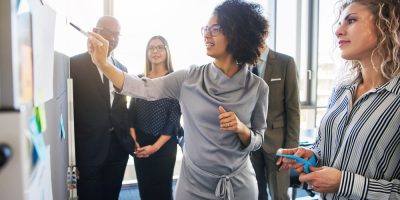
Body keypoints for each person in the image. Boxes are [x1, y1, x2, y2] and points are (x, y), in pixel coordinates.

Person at [87, 0, 269, 199]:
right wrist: (103, 64)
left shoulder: (258, 88)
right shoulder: (188, 78)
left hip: (239, 186)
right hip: (193, 185)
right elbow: (142, 87)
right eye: (205, 29)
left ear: (237, 32)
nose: (207, 34)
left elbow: (258, 139)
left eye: (215, 29)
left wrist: (241, 129)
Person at [277, 0, 400, 199]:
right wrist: (312, 156)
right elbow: (324, 146)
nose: (338, 31)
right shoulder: (341, 90)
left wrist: (345, 183)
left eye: (351, 20)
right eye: (340, 23)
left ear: (386, 25)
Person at [70, 16, 134, 200]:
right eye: (108, 32)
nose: (113, 38)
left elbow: (122, 108)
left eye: (117, 34)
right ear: (95, 31)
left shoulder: (122, 69)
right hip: (89, 149)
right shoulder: (74, 65)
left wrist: (129, 138)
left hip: (118, 149)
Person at [250, 19, 300, 200]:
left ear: (265, 33)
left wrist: (291, 149)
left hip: (278, 144)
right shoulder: (242, 65)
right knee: (255, 193)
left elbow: (293, 109)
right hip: (250, 142)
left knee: (279, 194)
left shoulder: (285, 62)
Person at [129, 35, 181, 200]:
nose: (155, 51)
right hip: (140, 143)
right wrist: (134, 142)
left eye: (160, 47)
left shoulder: (174, 80)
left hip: (164, 144)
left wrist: (155, 147)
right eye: (151, 47)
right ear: (147, 52)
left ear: (167, 51)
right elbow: (131, 113)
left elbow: (173, 119)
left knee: (162, 191)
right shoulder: (139, 79)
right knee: (145, 189)